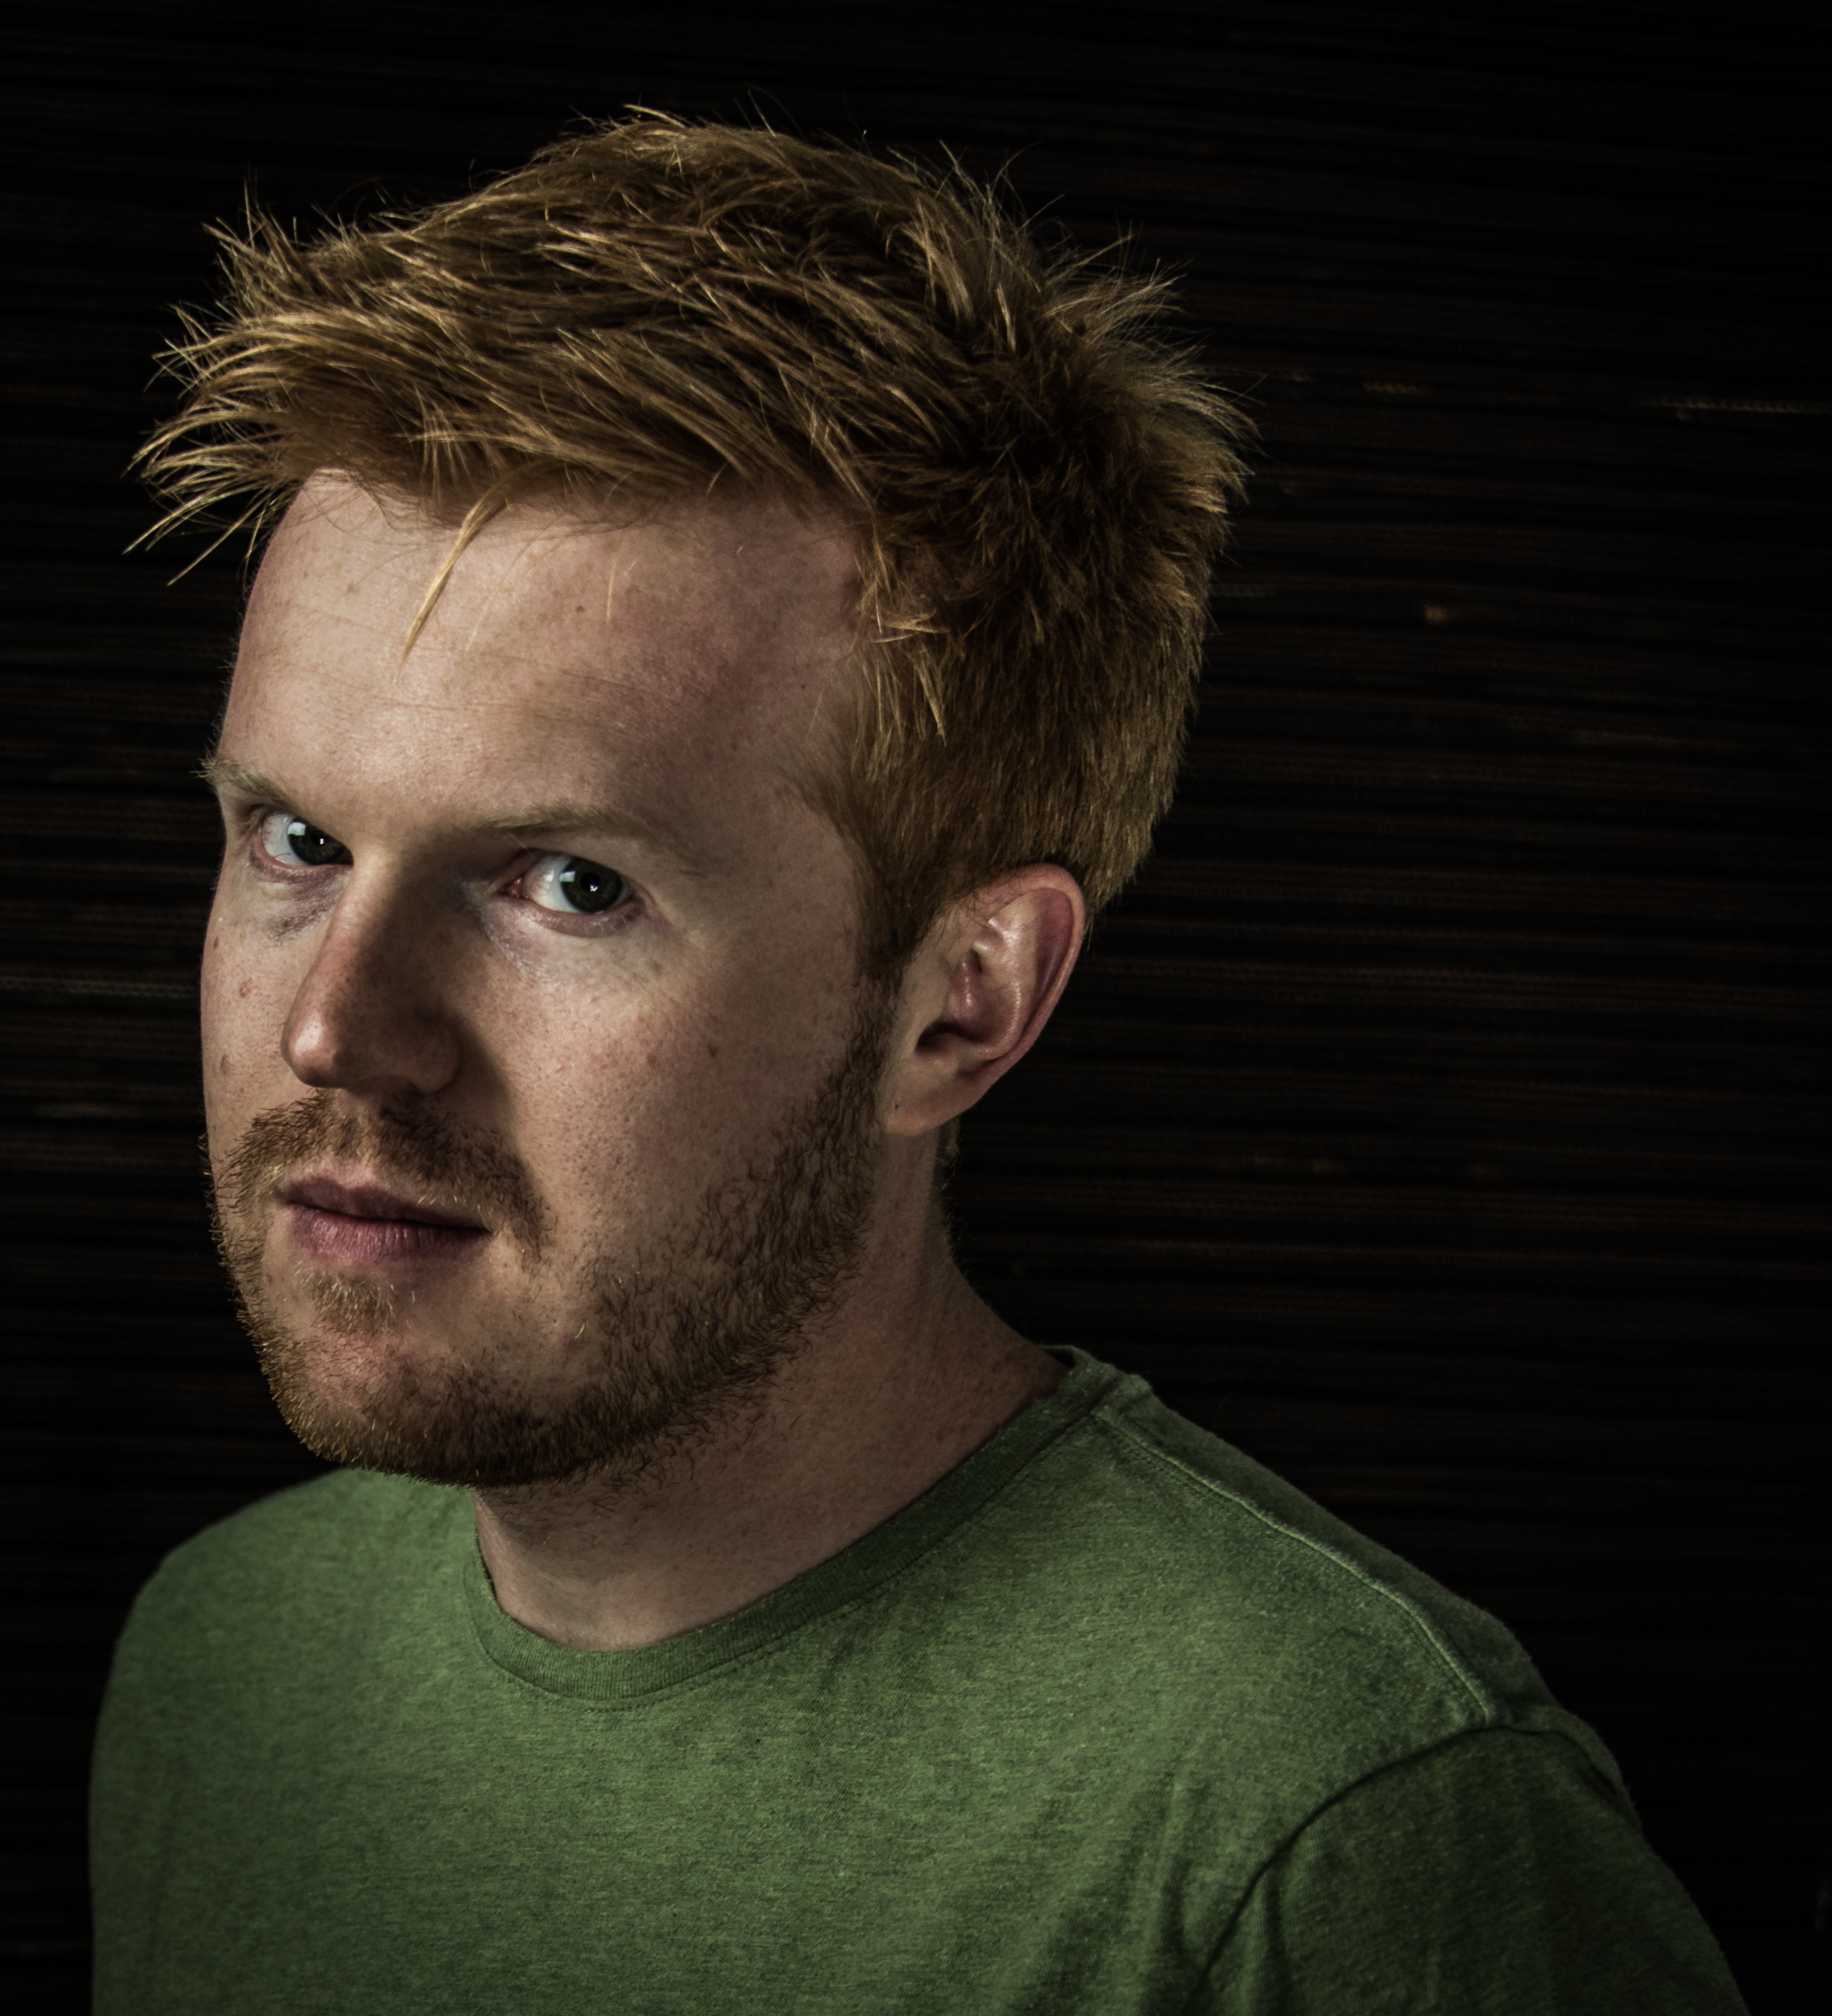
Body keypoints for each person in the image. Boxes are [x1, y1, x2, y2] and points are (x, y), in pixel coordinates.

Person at [89, 114, 1746, 2013]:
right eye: (298, 841)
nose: (333, 1030)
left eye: (570, 884)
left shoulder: (1336, 1835)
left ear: (963, 1001)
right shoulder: (218, 1660)